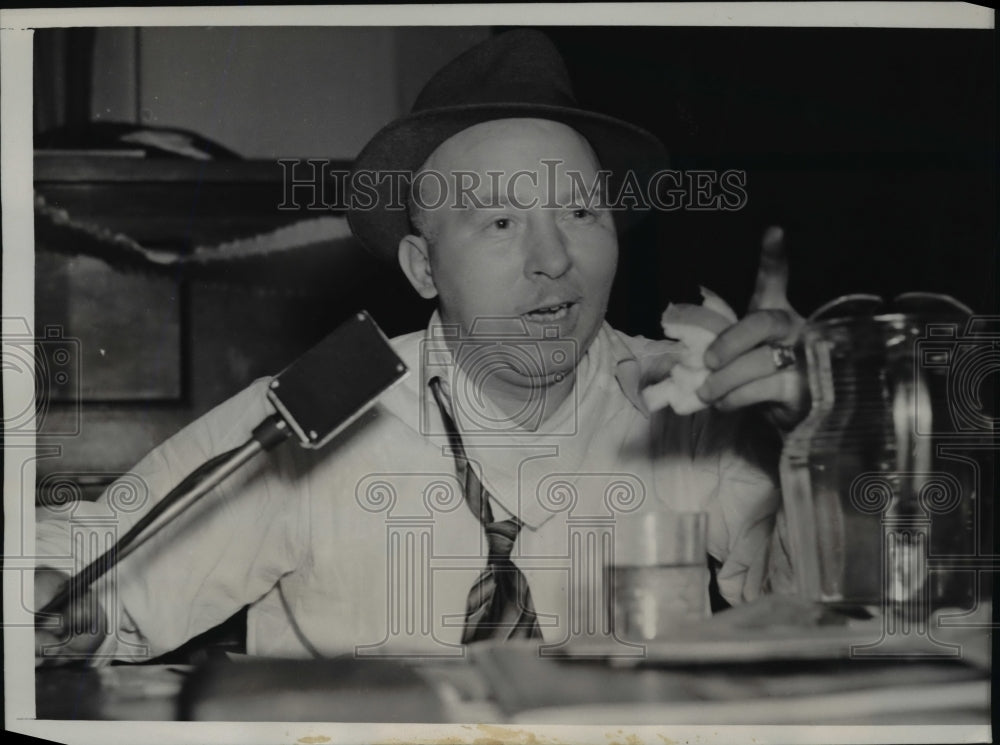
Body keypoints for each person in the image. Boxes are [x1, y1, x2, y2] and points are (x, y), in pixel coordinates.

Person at [34, 29, 806, 664]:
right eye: (501, 223)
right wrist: (72, 605)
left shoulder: (688, 402)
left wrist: (816, 437)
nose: (554, 259)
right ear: (424, 266)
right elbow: (98, 553)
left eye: (581, 213)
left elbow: (816, 614)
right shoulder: (327, 405)